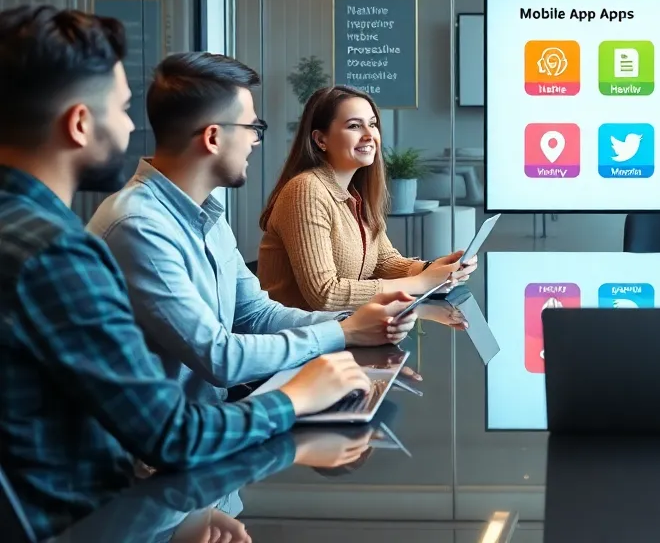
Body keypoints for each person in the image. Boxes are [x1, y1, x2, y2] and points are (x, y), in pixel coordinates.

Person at [0, 5, 369, 541]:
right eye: (122, 109)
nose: (132, 126)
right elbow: (172, 432)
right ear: (79, 124)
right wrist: (296, 398)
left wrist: (175, 523)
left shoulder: (25, 232)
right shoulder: (59, 254)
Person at [87, 52, 421, 406]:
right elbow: (220, 357)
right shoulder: (139, 226)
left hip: (215, 415)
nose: (255, 142)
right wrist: (344, 332)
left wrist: (355, 322)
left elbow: (257, 314)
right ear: (213, 137)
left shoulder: (205, 215)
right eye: (252, 128)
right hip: (176, 433)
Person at [259, 85, 474, 310]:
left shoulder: (354, 193)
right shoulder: (306, 190)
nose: (370, 135)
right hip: (298, 331)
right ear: (321, 139)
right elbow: (325, 295)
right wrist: (421, 282)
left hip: (343, 326)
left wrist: (432, 268)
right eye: (354, 126)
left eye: (372, 124)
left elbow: (383, 261)